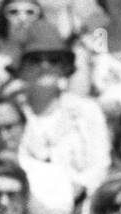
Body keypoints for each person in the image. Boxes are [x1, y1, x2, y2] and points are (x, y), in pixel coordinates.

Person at [15, 19, 110, 199]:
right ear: (22, 67)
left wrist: (72, 192)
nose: (45, 66)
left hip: (81, 204)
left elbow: (99, 166)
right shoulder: (11, 111)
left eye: (54, 60)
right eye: (35, 60)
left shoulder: (87, 110)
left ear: (64, 66)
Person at [0, 0, 42, 97]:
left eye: (30, 12)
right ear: (3, 20)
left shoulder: (52, 60)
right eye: (13, 12)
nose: (22, 19)